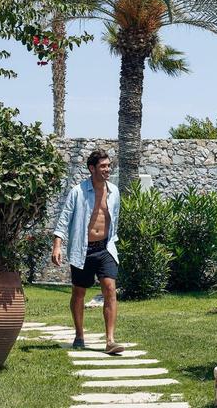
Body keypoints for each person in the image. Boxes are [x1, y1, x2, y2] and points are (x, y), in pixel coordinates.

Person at [52, 149, 123, 353]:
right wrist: (57, 245)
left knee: (110, 288)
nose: (107, 169)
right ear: (92, 168)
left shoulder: (114, 191)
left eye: (108, 165)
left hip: (105, 248)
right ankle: (79, 335)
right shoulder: (78, 192)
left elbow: (114, 218)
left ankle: (110, 340)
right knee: (79, 292)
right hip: (82, 250)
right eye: (103, 166)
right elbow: (64, 219)